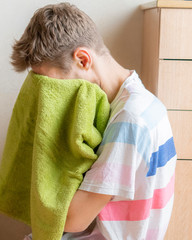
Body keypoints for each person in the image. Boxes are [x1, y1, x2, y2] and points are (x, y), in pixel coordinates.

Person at [11, 3, 177, 240]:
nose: (51, 100)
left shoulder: (130, 121)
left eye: (55, 86)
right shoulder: (143, 103)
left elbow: (72, 220)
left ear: (82, 59)